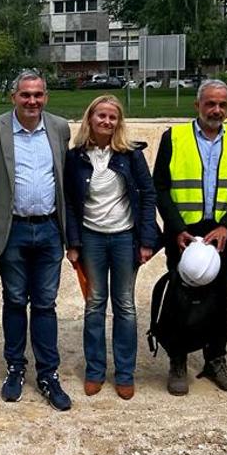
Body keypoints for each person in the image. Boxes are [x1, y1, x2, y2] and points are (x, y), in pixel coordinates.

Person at [0, 70, 73, 411]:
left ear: (46, 97)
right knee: (15, 300)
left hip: (48, 230)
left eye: (38, 95)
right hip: (11, 229)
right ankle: (15, 368)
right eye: (25, 95)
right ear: (13, 96)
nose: (32, 101)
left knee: (45, 303)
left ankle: (48, 374)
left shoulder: (59, 128)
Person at [153, 79, 227, 396]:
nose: (216, 110)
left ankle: (215, 359)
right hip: (184, 234)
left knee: (219, 299)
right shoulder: (175, 137)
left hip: (222, 235)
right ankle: (178, 361)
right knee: (181, 299)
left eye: (222, 104)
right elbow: (160, 186)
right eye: (210, 103)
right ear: (197, 105)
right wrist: (175, 228)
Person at [64, 95, 160, 400]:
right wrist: (73, 243)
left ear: (119, 122)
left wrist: (146, 240)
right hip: (91, 238)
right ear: (90, 118)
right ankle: (94, 371)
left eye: (112, 117)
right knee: (94, 305)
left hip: (124, 238)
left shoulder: (130, 154)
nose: (106, 121)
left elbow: (148, 194)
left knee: (125, 305)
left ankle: (124, 373)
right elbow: (68, 201)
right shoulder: (76, 156)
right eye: (101, 116)